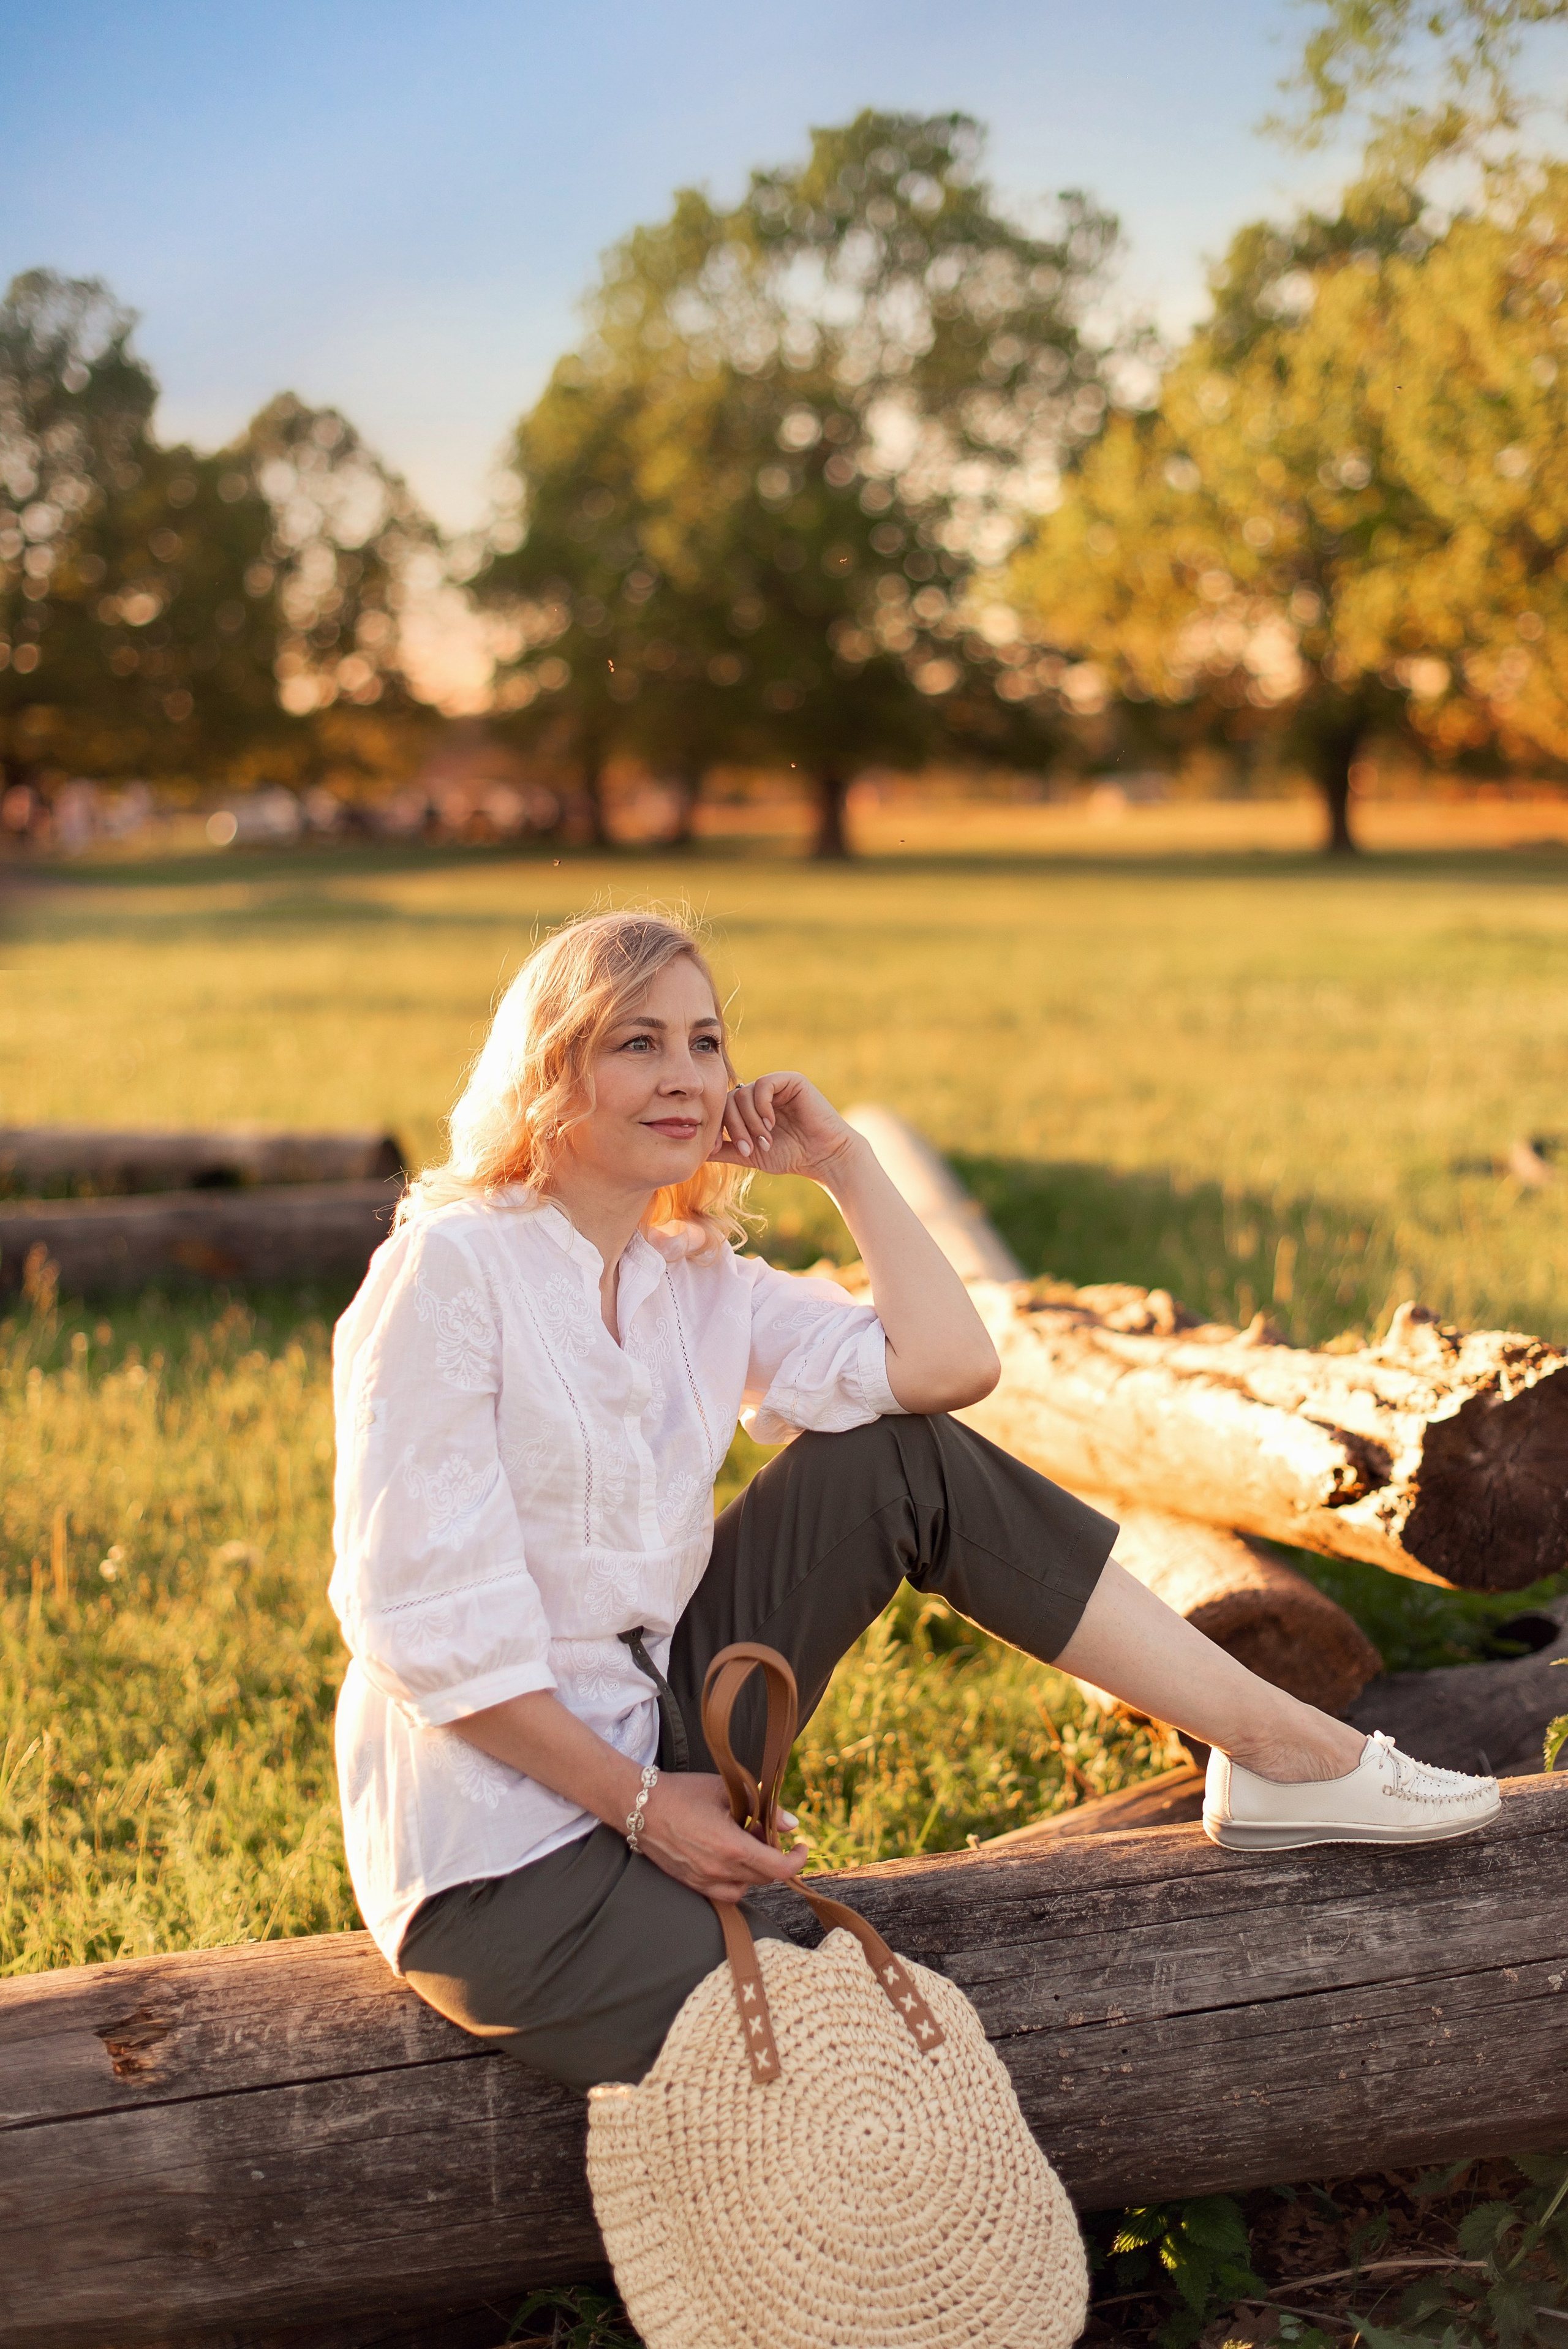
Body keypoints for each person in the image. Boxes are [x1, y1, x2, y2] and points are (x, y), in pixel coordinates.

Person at [330, 908, 1499, 2094]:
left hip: (654, 1738)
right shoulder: (453, 1269)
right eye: (636, 1044)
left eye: (703, 1043)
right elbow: (424, 1632)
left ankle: (1274, 1747)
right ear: (547, 1068)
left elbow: (947, 1368)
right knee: (832, 2059)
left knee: (899, 1457)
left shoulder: (687, 1278)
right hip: (505, 1852)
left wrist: (846, 1163)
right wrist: (645, 1810)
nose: (683, 1077)